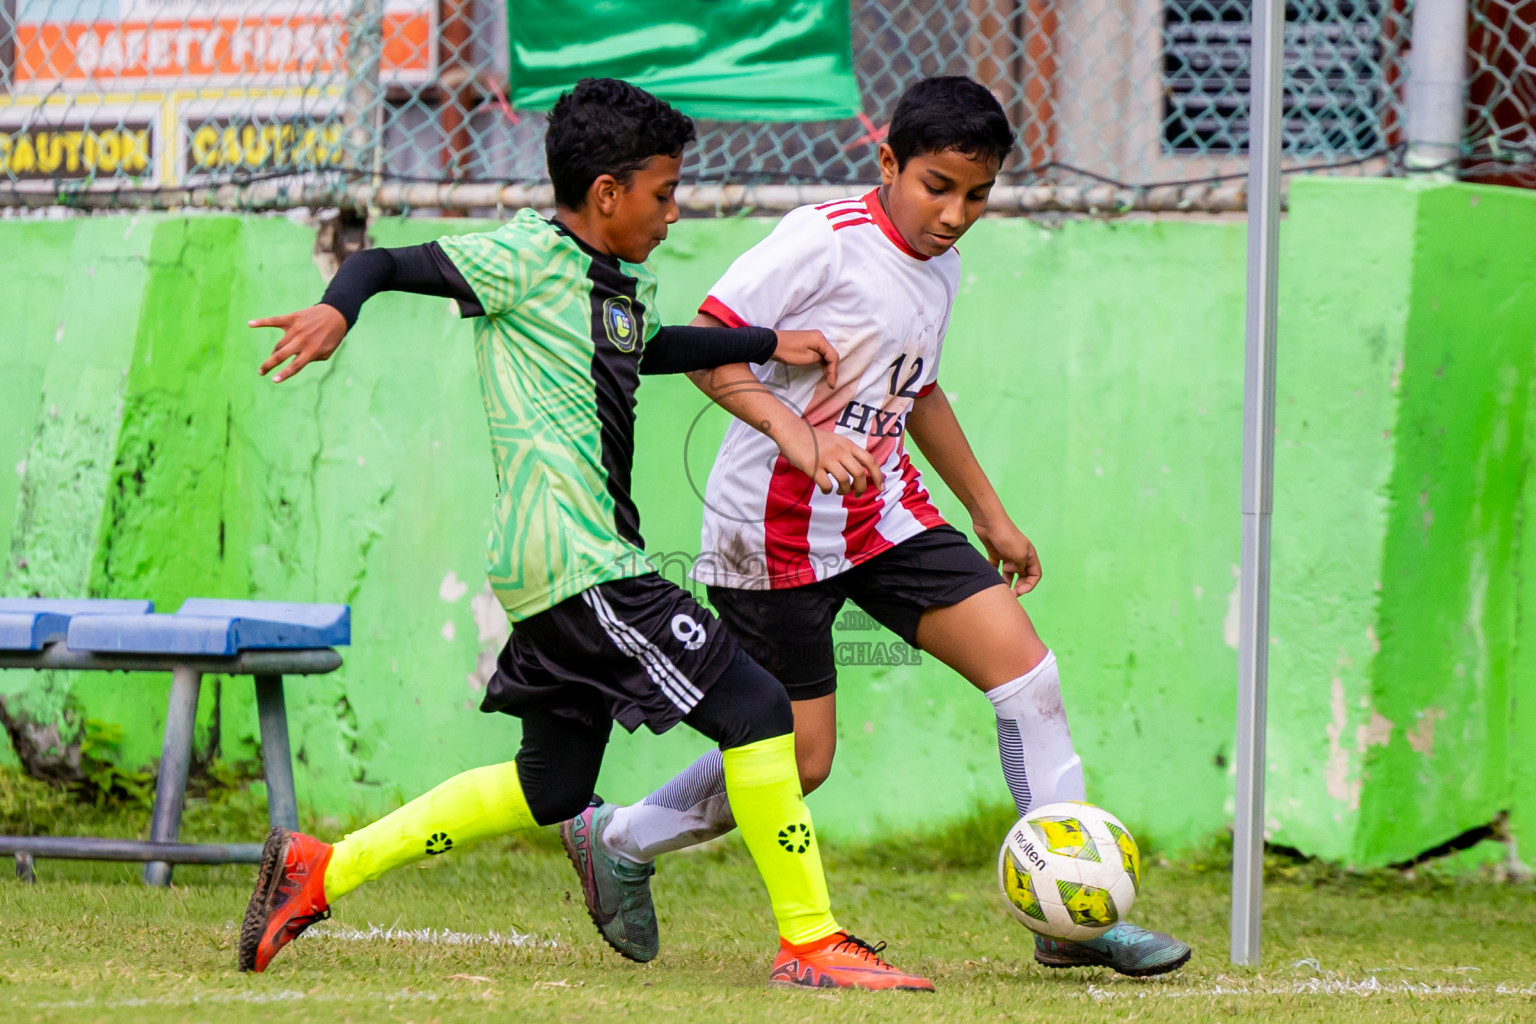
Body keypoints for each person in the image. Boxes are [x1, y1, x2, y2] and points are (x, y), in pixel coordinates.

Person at [234, 77, 931, 992]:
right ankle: (811, 941)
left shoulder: (615, 281)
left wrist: (765, 340)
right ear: (607, 194)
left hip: (558, 566)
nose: (675, 212)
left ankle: (322, 870)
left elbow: (645, 343)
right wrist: (338, 307)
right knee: (760, 711)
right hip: (581, 560)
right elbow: (386, 264)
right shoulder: (522, 257)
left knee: (551, 788)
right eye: (665, 192)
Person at [562, 76, 1192, 978]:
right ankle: (617, 838)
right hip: (769, 533)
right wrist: (799, 432)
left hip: (885, 515)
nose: (956, 214)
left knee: (1029, 676)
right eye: (938, 186)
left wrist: (990, 514)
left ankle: (1072, 918)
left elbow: (918, 388)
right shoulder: (821, 242)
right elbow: (708, 344)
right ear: (889, 161)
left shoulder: (945, 266)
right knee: (800, 761)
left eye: (978, 195)